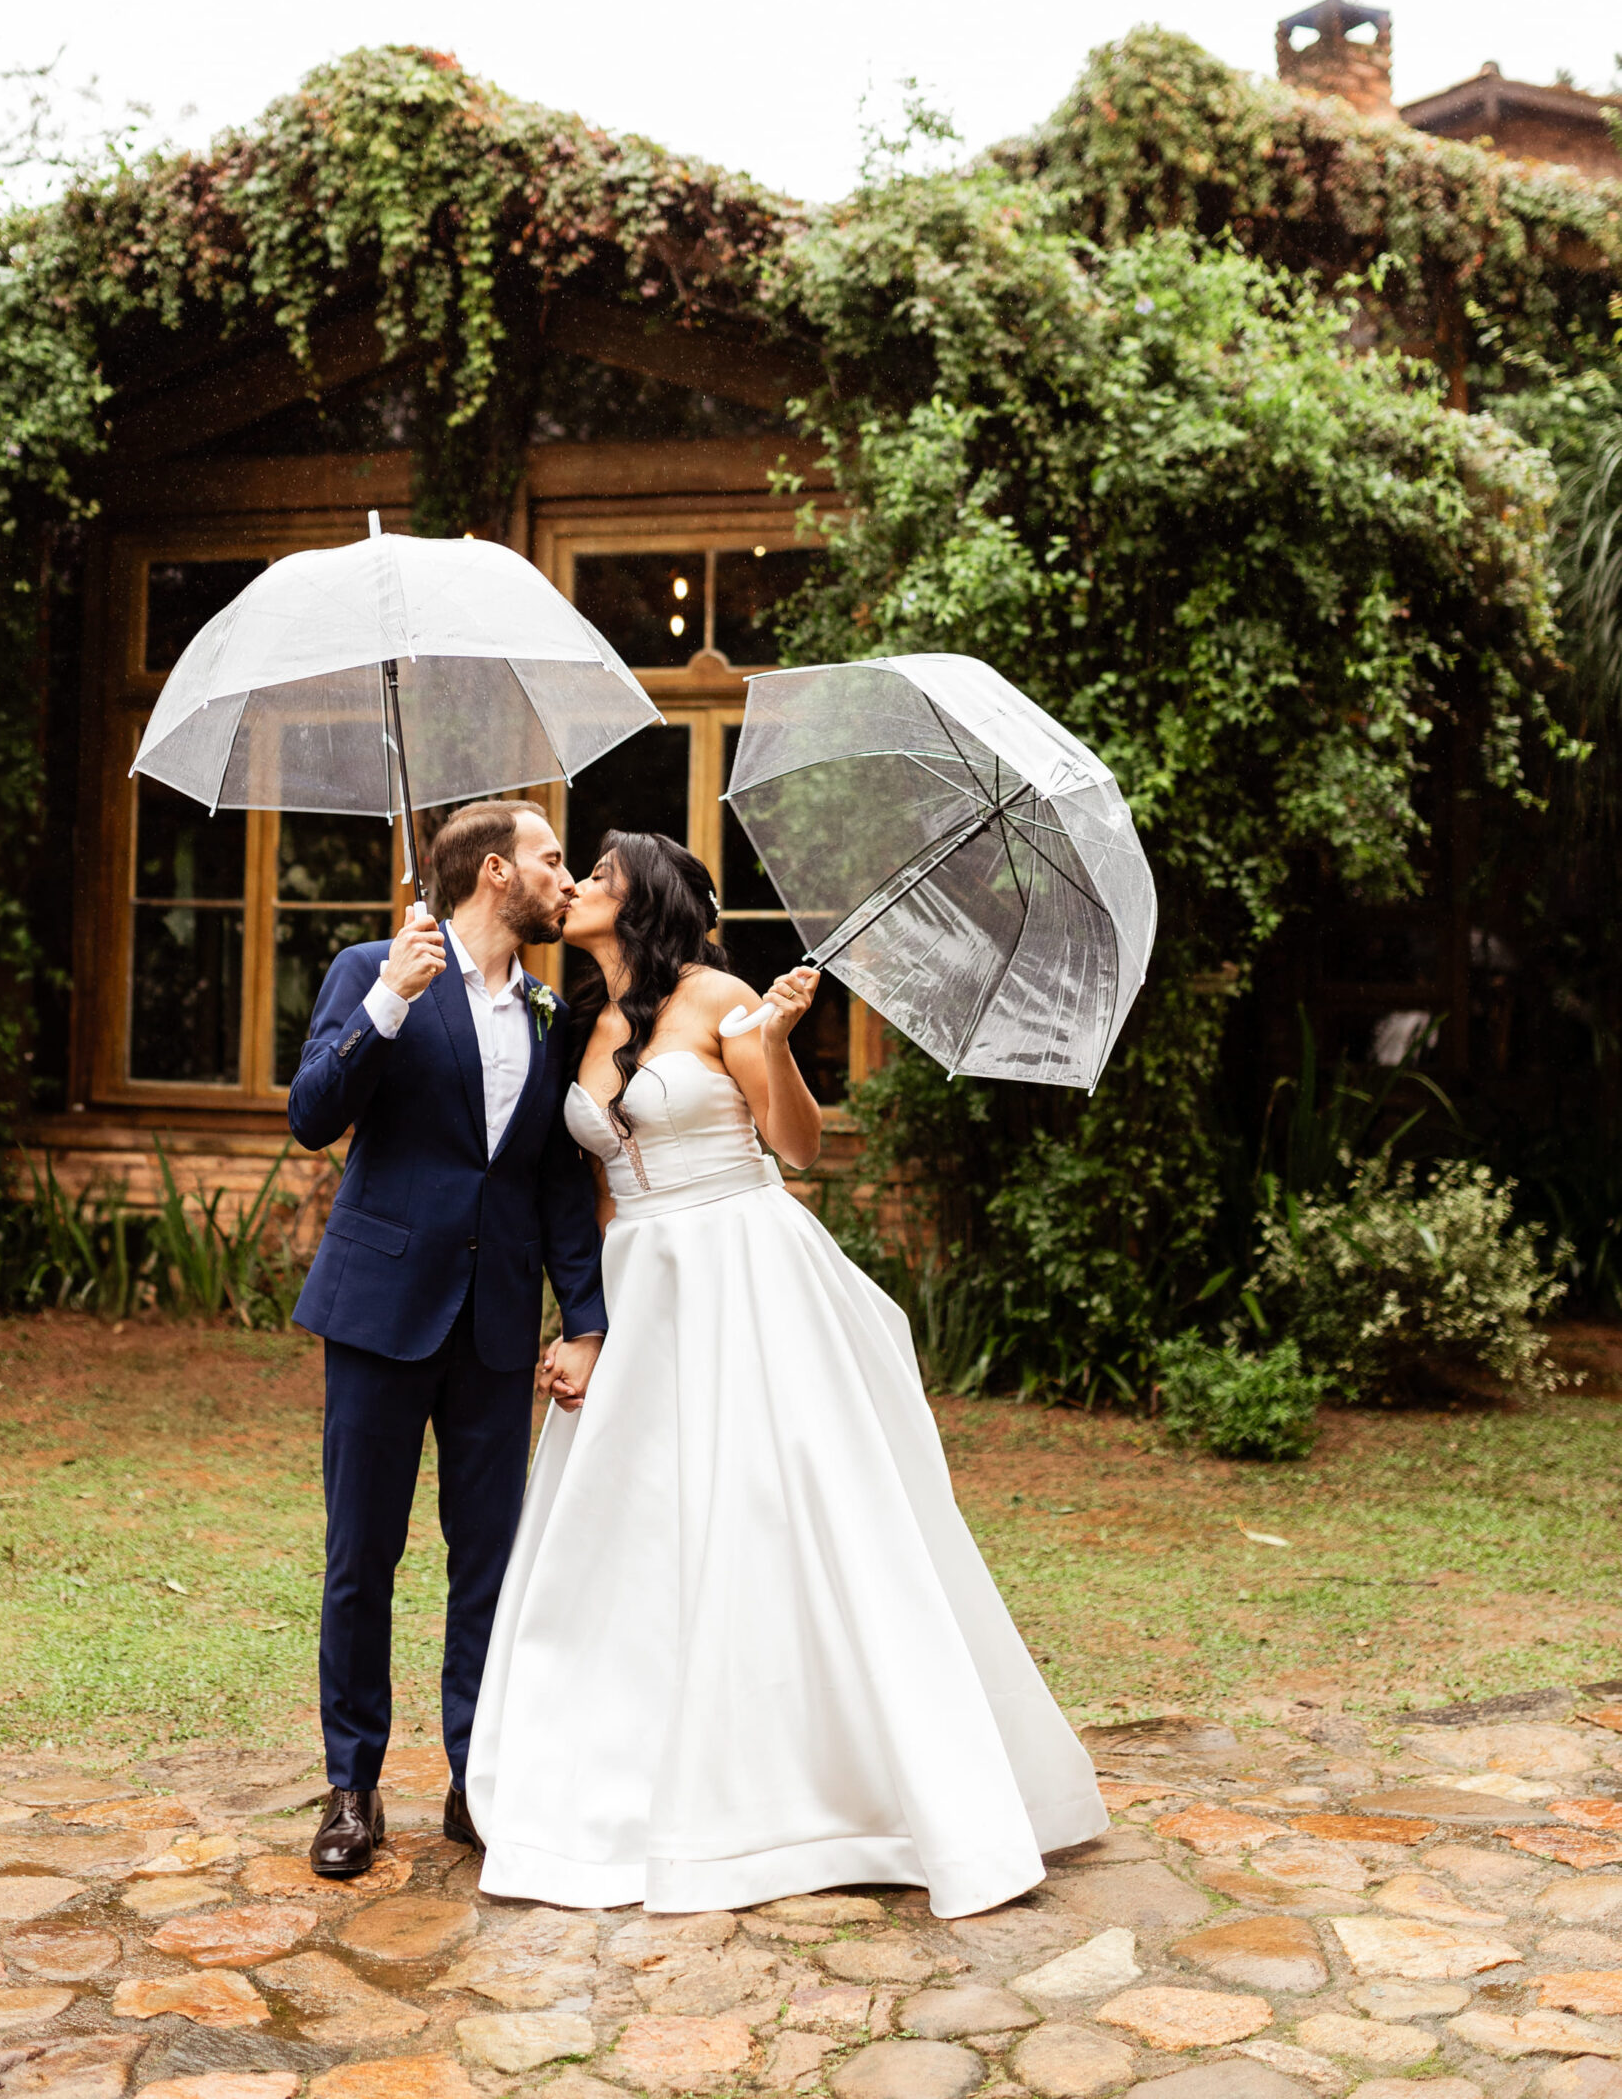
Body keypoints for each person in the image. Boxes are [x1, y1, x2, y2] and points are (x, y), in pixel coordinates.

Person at [465, 828, 1106, 1919]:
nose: (576, 886)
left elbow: (796, 1146)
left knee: (775, 1508)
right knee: (632, 1527)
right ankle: (622, 1777)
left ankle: (826, 1790)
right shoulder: (577, 1020)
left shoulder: (721, 998)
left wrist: (774, 1044)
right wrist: (588, 1326)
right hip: (641, 1283)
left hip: (744, 1268)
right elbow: (599, 1193)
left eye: (600, 875)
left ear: (644, 898)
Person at [287, 799, 604, 1880]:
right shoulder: (372, 969)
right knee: (360, 1556)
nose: (567, 877)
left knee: (490, 1564)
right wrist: (389, 1001)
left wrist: (585, 1318)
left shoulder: (550, 1011)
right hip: (379, 1313)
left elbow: (553, 1181)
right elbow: (311, 1115)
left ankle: (477, 1781)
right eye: (551, 859)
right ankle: (352, 1786)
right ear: (494, 873)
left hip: (497, 1325)